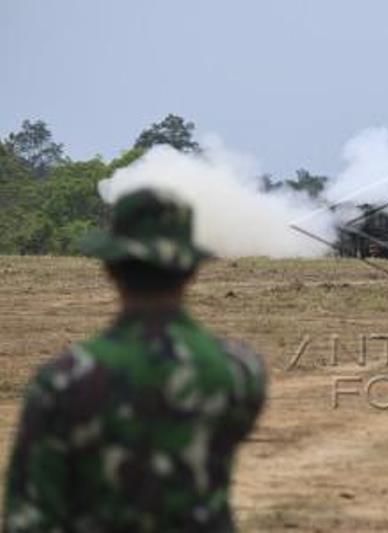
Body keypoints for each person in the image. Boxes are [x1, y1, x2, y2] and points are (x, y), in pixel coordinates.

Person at [3, 189, 267, 532]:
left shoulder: (62, 380)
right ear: (190, 270)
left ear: (111, 268)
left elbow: (31, 516)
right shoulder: (240, 371)